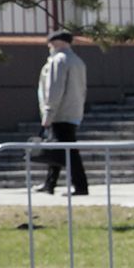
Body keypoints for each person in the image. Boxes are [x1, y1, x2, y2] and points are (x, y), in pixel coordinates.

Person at [34, 29, 89, 196]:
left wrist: (48, 113)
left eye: (50, 43)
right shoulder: (77, 61)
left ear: (57, 43)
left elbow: (54, 90)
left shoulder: (58, 61)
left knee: (69, 151)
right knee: (57, 147)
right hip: (73, 111)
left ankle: (80, 186)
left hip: (60, 113)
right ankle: (50, 183)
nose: (49, 46)